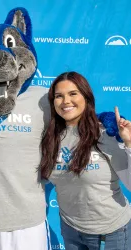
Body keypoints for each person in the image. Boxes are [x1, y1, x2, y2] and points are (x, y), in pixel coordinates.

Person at [40, 71, 131, 250]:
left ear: (86, 97)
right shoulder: (51, 137)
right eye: (59, 96)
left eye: (73, 94)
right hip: (70, 230)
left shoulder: (106, 132)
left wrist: (128, 143)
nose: (66, 101)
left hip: (109, 233)